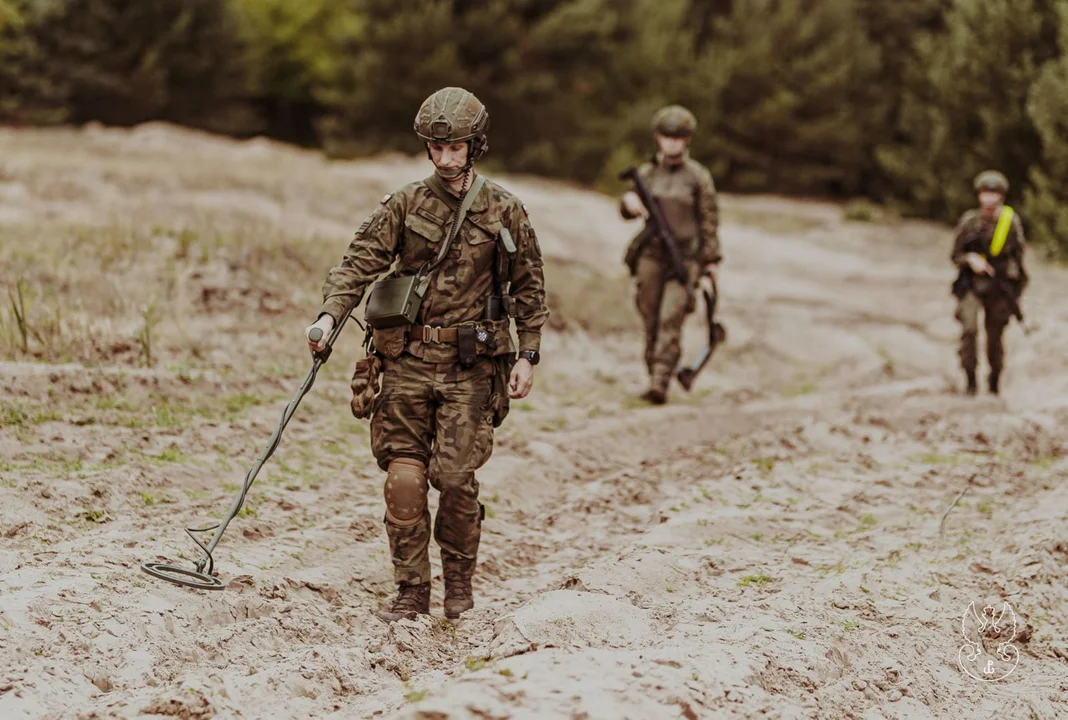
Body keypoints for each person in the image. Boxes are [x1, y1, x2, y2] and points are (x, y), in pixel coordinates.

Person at [306, 87, 549, 622]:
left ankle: (459, 584)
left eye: (455, 147)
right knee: (406, 479)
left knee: (456, 479)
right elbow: (358, 263)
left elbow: (529, 288)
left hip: (472, 367)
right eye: (435, 148)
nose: (444, 157)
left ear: (474, 145)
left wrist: (528, 354)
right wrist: (329, 316)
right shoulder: (405, 203)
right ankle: (411, 589)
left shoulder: (504, 210)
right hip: (407, 362)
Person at [619, 105, 721, 404]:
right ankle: (653, 371)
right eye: (667, 137)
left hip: (685, 260)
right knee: (650, 315)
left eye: (678, 138)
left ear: (687, 140)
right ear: (658, 139)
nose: (672, 143)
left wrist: (711, 260)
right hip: (650, 257)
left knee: (670, 317)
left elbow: (709, 220)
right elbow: (625, 208)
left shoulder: (698, 177)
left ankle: (660, 381)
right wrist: (628, 203)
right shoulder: (647, 174)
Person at [950, 170, 1028, 396]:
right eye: (985, 192)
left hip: (999, 286)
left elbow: (1019, 258)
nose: (989, 197)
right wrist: (970, 259)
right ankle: (970, 380)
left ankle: (994, 381)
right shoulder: (969, 222)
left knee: (995, 338)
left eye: (994, 192)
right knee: (969, 330)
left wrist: (1017, 290)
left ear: (1001, 196)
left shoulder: (1010, 223)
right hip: (972, 284)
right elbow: (955, 255)